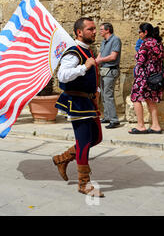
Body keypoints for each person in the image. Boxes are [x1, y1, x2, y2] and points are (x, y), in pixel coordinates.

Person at [52, 17, 104, 197]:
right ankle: (84, 183)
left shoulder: (86, 50)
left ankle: (62, 159)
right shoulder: (73, 52)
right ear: (79, 32)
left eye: (95, 29)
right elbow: (63, 75)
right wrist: (84, 67)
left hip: (89, 102)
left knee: (96, 138)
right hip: (77, 103)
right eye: (90, 29)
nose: (94, 32)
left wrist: (96, 89)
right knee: (84, 143)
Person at [129, 23, 164, 135]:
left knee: (135, 98)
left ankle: (140, 126)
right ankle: (156, 126)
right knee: (151, 99)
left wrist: (137, 56)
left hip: (144, 76)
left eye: (139, 32)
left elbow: (140, 61)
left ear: (145, 32)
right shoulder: (158, 43)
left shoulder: (146, 43)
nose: (139, 34)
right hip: (155, 77)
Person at [95, 22, 122, 129]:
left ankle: (114, 120)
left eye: (101, 29)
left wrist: (100, 60)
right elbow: (100, 54)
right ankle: (107, 116)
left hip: (111, 71)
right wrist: (95, 62)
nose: (100, 31)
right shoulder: (104, 41)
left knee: (108, 95)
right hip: (103, 70)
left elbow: (113, 56)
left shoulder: (115, 40)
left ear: (107, 30)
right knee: (104, 94)